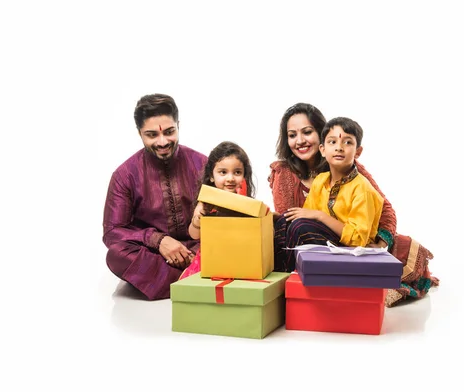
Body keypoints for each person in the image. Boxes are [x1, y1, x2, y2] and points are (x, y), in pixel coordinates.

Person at [269, 103, 439, 307]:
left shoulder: (352, 170)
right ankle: (283, 288)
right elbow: (292, 215)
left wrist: (380, 243)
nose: (300, 141)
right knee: (287, 225)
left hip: (350, 238)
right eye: (292, 135)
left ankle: (324, 286)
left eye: (307, 132)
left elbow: (384, 209)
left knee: (300, 226)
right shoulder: (285, 173)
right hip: (309, 240)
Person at [102, 93, 207, 300]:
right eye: (152, 135)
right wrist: (158, 240)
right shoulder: (125, 175)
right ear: (139, 133)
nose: (162, 141)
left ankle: (170, 280)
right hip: (157, 256)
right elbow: (112, 232)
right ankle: (195, 277)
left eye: (169, 132)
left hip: (200, 249)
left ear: (178, 125)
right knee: (116, 255)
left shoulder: (202, 164)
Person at [274, 117, 384, 270]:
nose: (339, 147)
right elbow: (306, 213)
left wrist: (321, 216)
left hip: (350, 250)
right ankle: (280, 276)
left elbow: (358, 239)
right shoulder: (320, 180)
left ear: (358, 152)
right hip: (326, 242)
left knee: (300, 227)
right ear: (323, 150)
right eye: (332, 142)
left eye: (347, 142)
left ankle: (293, 275)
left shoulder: (362, 188)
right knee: (285, 221)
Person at [179, 141, 254, 279]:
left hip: (238, 258)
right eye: (223, 172)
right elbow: (194, 235)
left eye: (237, 172)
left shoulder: (248, 204)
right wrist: (197, 218)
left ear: (244, 176)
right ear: (212, 176)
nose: (230, 178)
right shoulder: (207, 203)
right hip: (211, 258)